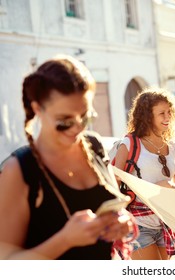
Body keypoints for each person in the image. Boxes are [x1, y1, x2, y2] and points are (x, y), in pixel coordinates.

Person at [0, 55, 137, 260]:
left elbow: (113, 208)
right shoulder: (19, 169)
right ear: (38, 109)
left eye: (85, 117)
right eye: (64, 120)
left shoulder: (95, 146)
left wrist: (121, 221)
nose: (77, 128)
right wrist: (64, 240)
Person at [114, 87, 175, 260]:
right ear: (148, 116)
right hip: (138, 224)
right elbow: (114, 186)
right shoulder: (130, 144)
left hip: (165, 222)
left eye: (169, 112)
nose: (167, 117)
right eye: (161, 113)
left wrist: (169, 188)